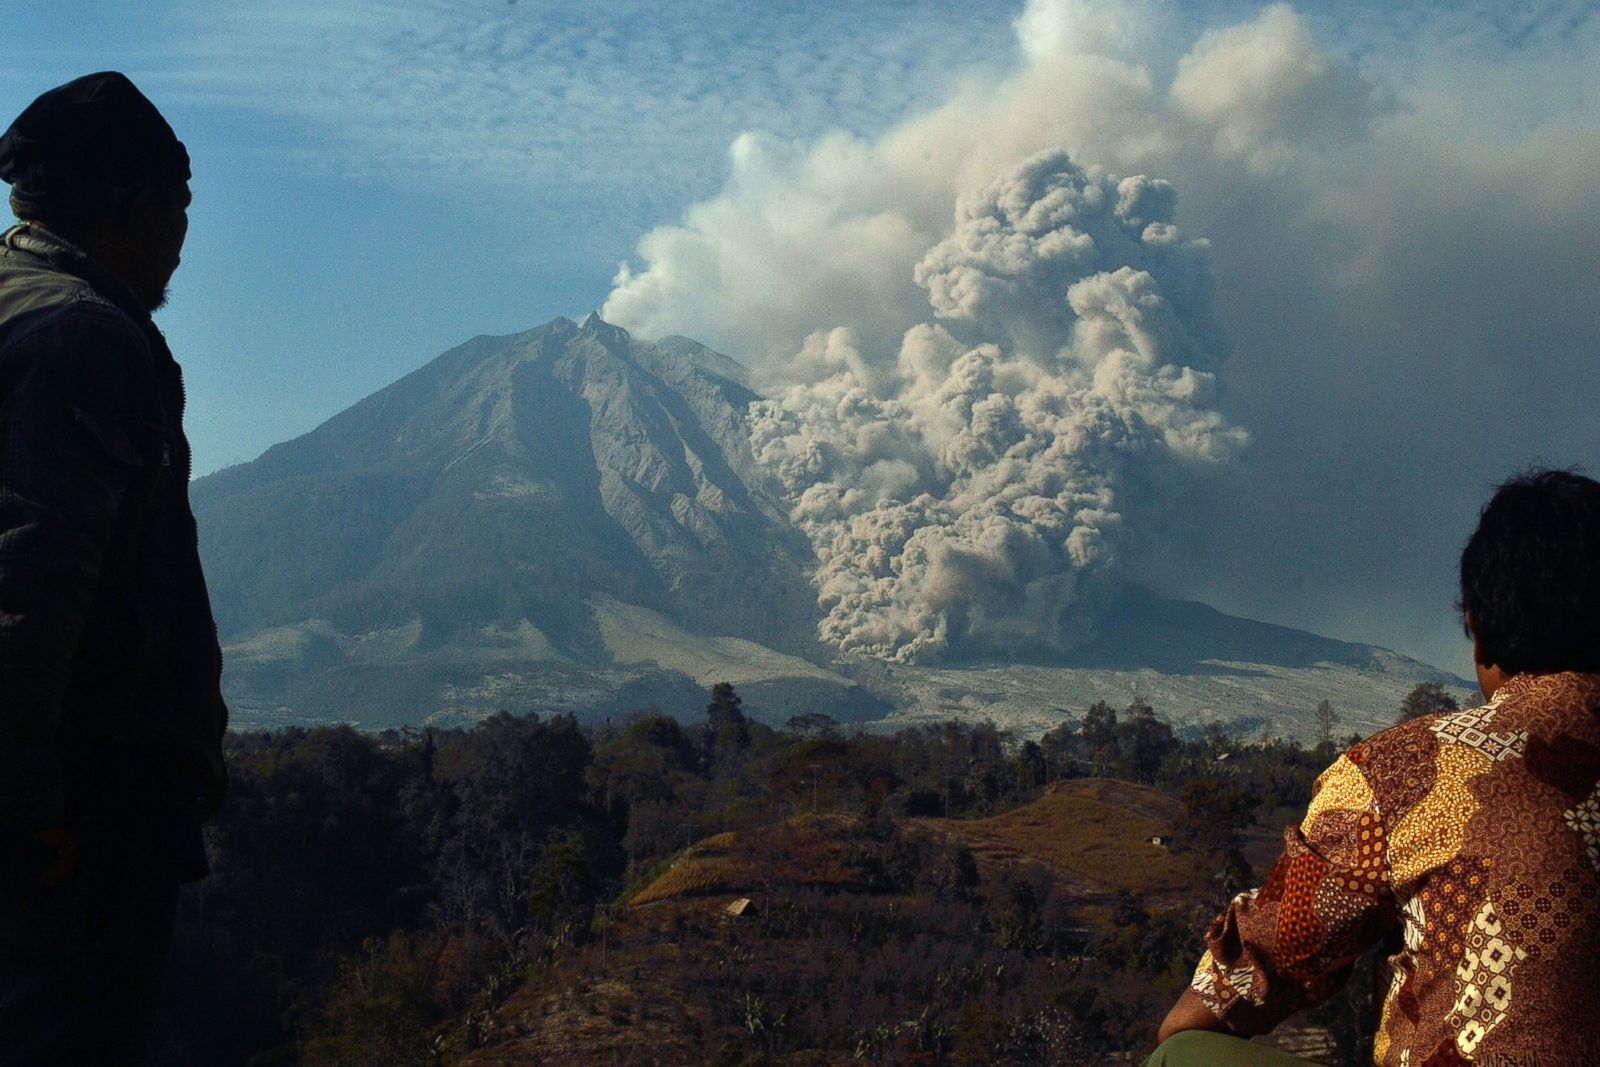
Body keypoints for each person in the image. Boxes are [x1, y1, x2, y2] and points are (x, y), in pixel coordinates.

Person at [1148, 469, 1600, 1066]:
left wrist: (1183, 1032)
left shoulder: (1407, 770)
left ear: (1478, 633)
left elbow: (1262, 963)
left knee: (1182, 1058)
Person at [0, 72, 227, 1063]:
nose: (183, 236)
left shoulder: (18, 310)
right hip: (76, 839)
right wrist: (29, 820)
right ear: (138, 208)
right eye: (179, 208)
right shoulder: (85, 339)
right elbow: (28, 591)